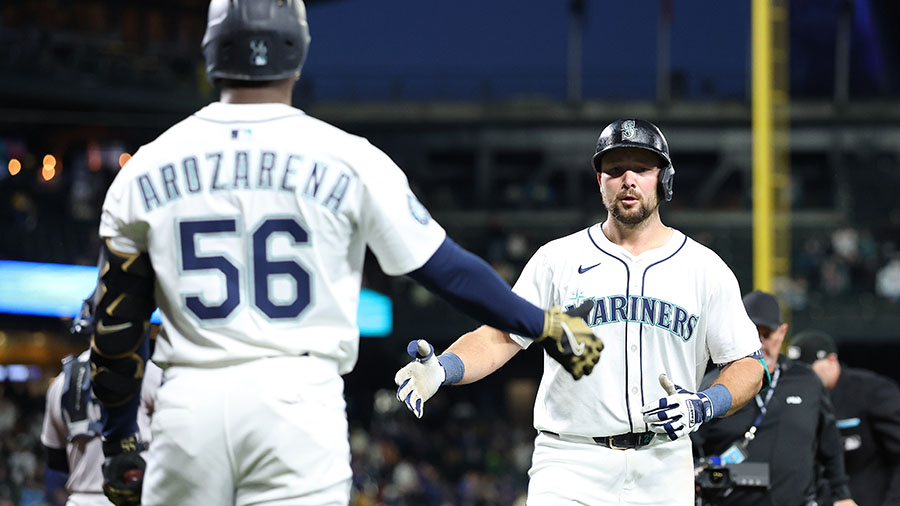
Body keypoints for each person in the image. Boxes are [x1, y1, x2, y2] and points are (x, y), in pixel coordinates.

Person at [85, 1, 601, 505]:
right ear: (298, 49)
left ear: (211, 49)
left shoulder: (146, 166)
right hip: (298, 404)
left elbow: (115, 328)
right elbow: (450, 271)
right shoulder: (347, 155)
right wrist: (544, 324)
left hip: (189, 405)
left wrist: (119, 440)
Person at [395, 119, 767, 505]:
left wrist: (704, 404)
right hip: (571, 462)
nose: (628, 179)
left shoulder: (704, 268)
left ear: (664, 178)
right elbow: (500, 336)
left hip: (664, 464)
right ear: (599, 179)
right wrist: (445, 368)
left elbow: (748, 365)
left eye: (641, 168)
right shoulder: (559, 259)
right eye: (615, 169)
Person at [692, 290, 856, 506]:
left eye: (766, 334)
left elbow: (830, 443)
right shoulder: (715, 386)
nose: (759, 343)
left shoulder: (807, 381)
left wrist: (842, 495)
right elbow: (690, 446)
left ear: (782, 332)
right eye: (752, 333)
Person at [790, 330, 900, 506]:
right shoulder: (798, 400)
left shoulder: (871, 391)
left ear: (831, 360)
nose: (805, 378)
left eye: (810, 369)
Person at [41, 349, 162, 506]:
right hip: (136, 497)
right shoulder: (148, 371)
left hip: (81, 499)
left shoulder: (61, 381)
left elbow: (56, 459)